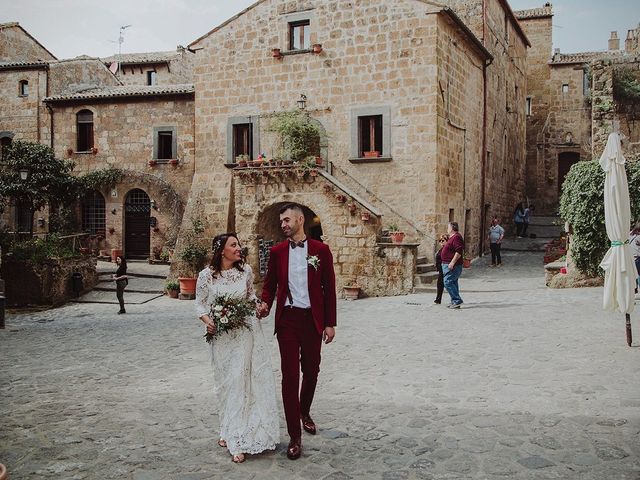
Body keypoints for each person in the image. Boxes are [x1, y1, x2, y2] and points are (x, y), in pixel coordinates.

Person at [257, 203, 337, 461]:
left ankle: (304, 412)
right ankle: (294, 436)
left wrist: (329, 322)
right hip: (288, 321)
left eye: (287, 220)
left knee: (311, 371)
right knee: (290, 377)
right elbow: (269, 285)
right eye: (282, 221)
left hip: (312, 320)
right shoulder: (278, 251)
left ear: (300, 220)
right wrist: (266, 304)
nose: (283, 225)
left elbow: (329, 287)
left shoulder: (321, 251)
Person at [195, 233, 279, 464]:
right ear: (222, 250)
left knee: (244, 382)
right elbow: (200, 304)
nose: (238, 248)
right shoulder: (206, 276)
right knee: (226, 385)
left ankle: (238, 439)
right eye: (233, 245)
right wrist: (208, 321)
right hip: (221, 338)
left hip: (245, 333)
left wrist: (259, 305)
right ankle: (227, 429)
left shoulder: (246, 272)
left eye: (238, 244)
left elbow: (250, 295)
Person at [440, 222, 464, 309]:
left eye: (448, 227)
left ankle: (457, 300)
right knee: (453, 282)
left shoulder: (457, 237)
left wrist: (452, 262)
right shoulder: (452, 237)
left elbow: (459, 251)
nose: (447, 229)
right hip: (447, 264)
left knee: (447, 282)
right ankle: (454, 302)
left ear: (452, 228)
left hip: (453, 265)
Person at [434, 233, 449, 304]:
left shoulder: (447, 249)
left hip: (444, 269)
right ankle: (438, 299)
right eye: (440, 241)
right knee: (440, 284)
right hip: (441, 270)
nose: (441, 242)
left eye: (443, 240)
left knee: (448, 285)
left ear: (447, 241)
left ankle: (455, 299)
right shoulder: (442, 248)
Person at [629, 224, 640, 293]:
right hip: (638, 258)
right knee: (638, 274)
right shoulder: (639, 237)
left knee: (634, 274)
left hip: (630, 258)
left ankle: (634, 289)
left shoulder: (629, 234)